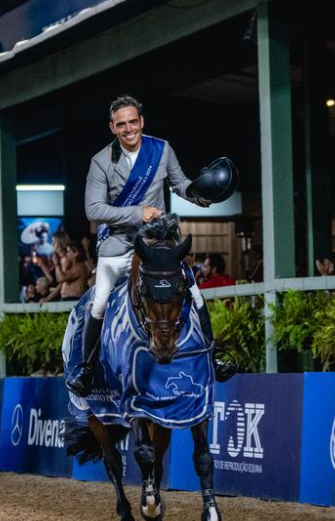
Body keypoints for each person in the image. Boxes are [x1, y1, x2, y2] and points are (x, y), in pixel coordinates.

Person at [66, 94, 233, 396]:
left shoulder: (161, 149)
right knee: (100, 301)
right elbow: (94, 209)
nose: (129, 129)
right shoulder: (101, 162)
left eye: (133, 122)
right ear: (112, 128)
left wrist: (197, 195)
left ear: (142, 122)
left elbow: (180, 182)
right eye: (121, 124)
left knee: (194, 294)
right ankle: (85, 370)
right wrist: (136, 212)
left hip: (158, 242)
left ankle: (213, 357)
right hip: (119, 242)